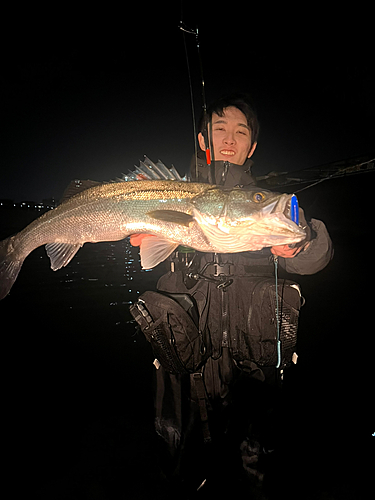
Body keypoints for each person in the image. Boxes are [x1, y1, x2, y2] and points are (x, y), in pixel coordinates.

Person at [131, 93, 333, 497]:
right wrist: (143, 227)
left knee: (255, 469)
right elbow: (139, 241)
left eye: (240, 132)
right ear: (203, 140)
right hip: (186, 359)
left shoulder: (272, 207)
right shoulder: (167, 192)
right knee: (181, 466)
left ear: (251, 147)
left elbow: (316, 256)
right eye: (219, 128)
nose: (229, 138)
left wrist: (302, 243)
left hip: (251, 364)